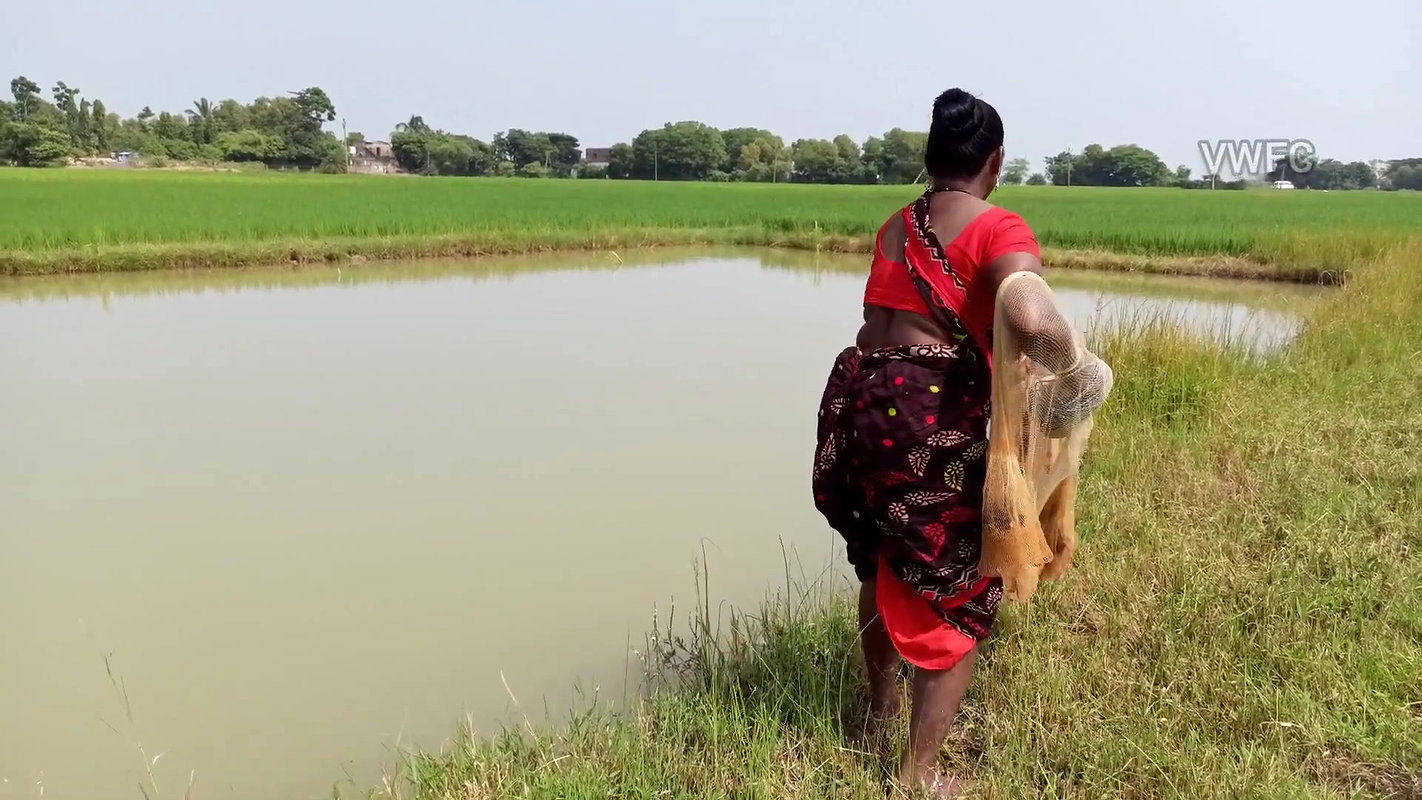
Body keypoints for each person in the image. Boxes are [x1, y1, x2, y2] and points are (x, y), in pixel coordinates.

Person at [811, 88, 1107, 797]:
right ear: (995, 162)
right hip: (928, 422)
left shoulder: (896, 226)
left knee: (885, 565)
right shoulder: (998, 225)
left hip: (860, 411)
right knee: (959, 591)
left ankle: (877, 713)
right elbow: (1032, 317)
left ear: (930, 157)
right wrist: (1077, 370)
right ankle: (918, 776)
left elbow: (880, 327)